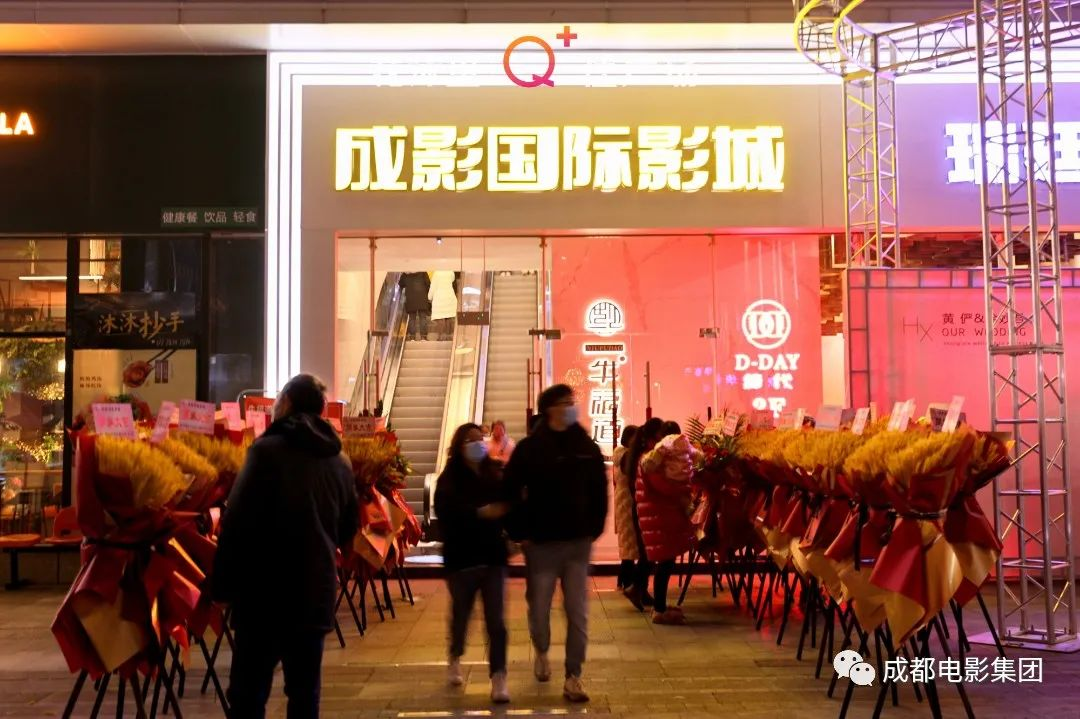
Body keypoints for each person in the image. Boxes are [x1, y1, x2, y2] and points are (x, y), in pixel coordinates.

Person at [213, 374, 359, 718]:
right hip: (314, 592)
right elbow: (348, 528)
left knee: (248, 695)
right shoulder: (339, 460)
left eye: (278, 399)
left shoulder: (265, 451)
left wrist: (221, 585)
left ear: (288, 403)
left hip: (263, 594)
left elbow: (236, 522)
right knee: (305, 695)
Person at [505, 384, 608, 703]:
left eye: (571, 402)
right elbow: (510, 490)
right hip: (541, 543)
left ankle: (573, 675)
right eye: (565, 403)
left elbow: (599, 490)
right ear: (549, 409)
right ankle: (541, 648)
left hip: (578, 542)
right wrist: (519, 531)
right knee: (539, 607)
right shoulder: (530, 449)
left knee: (577, 611)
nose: (571, 407)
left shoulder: (585, 446)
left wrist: (593, 527)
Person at [434, 423, 511, 704]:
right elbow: (447, 512)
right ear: (459, 446)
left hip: (492, 557)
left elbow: (507, 505)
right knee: (461, 615)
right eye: (470, 440)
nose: (478, 444)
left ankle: (499, 676)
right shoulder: (449, 479)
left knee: (496, 621)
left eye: (481, 438)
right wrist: (480, 513)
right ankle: (455, 655)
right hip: (462, 559)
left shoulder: (494, 472)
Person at [636, 422, 696, 625]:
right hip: (659, 518)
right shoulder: (651, 461)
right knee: (665, 562)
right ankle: (659, 610)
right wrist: (684, 488)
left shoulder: (654, 459)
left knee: (666, 561)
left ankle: (660, 605)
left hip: (659, 517)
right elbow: (664, 488)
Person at [619, 417, 666, 609]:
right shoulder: (645, 457)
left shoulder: (635, 455)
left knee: (647, 552)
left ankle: (640, 590)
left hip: (640, 507)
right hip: (645, 508)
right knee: (648, 552)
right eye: (661, 436)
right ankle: (635, 588)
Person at [612, 424, 638, 591]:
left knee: (627, 540)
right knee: (630, 540)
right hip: (628, 499)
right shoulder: (627, 455)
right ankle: (627, 580)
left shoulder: (620, 453)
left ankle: (623, 579)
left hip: (622, 498)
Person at [399, 271, 432, 341]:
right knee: (423, 318)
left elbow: (401, 284)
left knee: (412, 319)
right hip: (422, 298)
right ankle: (423, 337)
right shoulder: (423, 272)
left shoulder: (405, 274)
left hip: (410, 299)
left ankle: (412, 337)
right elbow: (428, 283)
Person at [429, 269, 458, 341]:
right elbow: (453, 280)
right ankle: (449, 337)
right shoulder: (450, 272)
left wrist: (429, 297)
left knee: (440, 319)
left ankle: (441, 336)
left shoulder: (436, 273)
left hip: (439, 298)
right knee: (449, 318)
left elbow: (433, 287)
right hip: (450, 297)